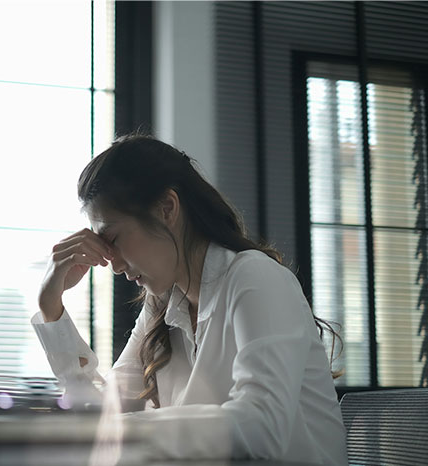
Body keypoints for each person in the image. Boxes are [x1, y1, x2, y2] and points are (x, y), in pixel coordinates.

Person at [31, 134, 348, 463]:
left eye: (112, 238)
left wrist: (128, 432)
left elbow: (261, 428)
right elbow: (101, 419)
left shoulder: (255, 277)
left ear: (167, 208)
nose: (114, 265)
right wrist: (51, 310)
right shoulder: (162, 306)